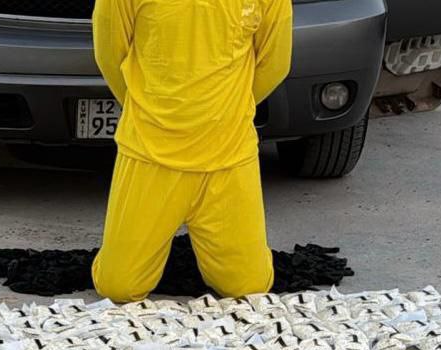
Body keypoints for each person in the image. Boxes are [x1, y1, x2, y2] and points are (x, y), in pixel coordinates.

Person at [91, 0, 292, 303]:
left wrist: (228, 111)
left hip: (229, 157)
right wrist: (146, 110)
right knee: (118, 286)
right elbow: (109, 54)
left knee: (250, 286)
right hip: (150, 156)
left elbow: (275, 63)